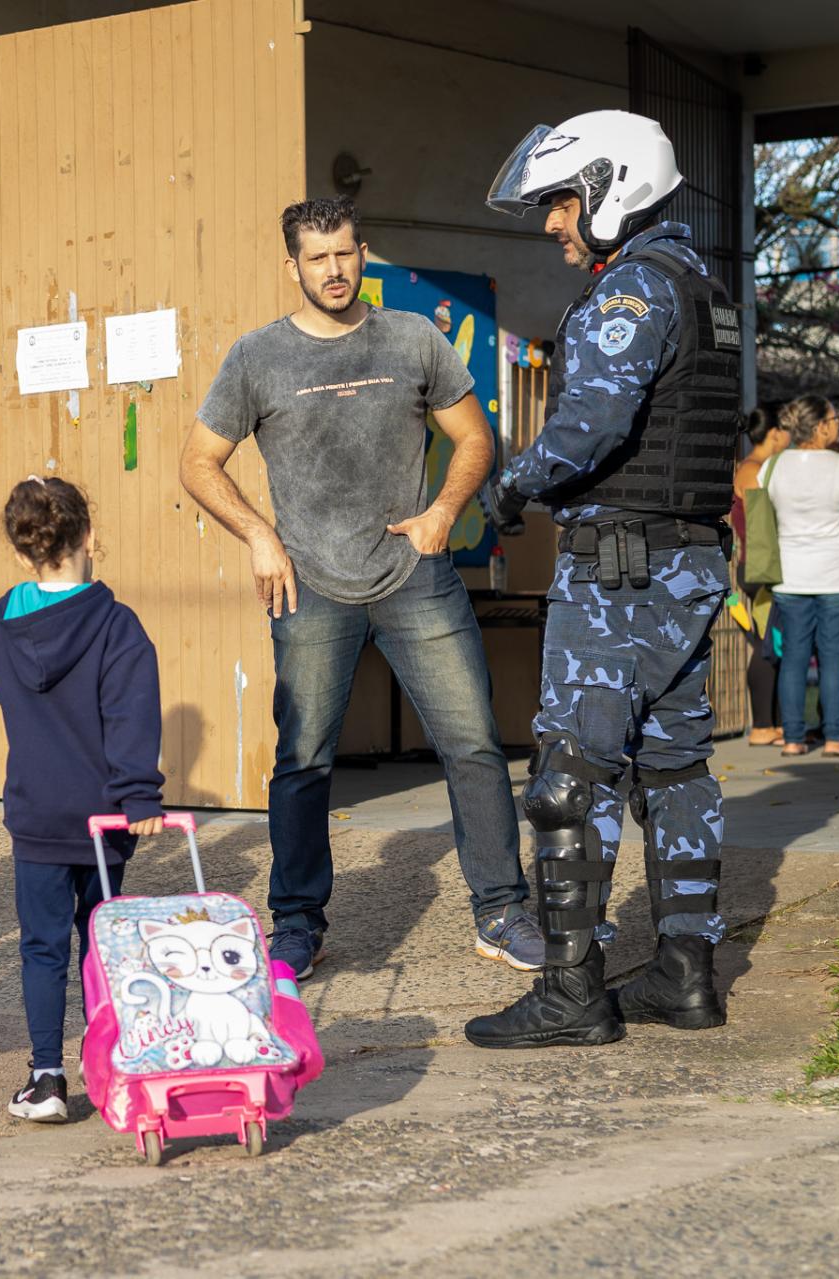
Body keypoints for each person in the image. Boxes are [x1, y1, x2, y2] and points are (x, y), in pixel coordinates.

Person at [181, 196, 539, 983]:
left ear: (362, 252)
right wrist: (260, 535)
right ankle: (298, 924)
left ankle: (503, 910)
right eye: (317, 258)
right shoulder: (257, 357)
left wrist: (446, 508)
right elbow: (197, 461)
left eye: (344, 253)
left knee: (474, 742)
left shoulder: (412, 338)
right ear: (293, 267)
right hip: (309, 582)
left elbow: (476, 436)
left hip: (416, 574)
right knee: (303, 760)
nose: (334, 270)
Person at [471, 110, 742, 1049]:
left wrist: (511, 482)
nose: (551, 221)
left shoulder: (632, 290)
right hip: (689, 567)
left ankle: (571, 989)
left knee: (569, 775)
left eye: (560, 200)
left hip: (622, 574)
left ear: (610, 184)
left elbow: (588, 426)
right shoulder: (704, 285)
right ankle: (685, 974)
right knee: (674, 769)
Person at [0, 478, 165, 1123]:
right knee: (100, 939)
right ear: (90, 535)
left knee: (41, 947)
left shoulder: (3, 621)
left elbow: (1, 690)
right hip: (104, 818)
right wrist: (140, 794)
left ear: (22, 552)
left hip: (35, 811)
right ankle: (109, 1065)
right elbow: (131, 715)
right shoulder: (116, 625)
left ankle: (46, 1077)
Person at [768, 395, 839, 758]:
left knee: (793, 657)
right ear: (821, 425)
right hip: (836, 575)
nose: (838, 423)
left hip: (790, 576)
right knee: (832, 657)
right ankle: (835, 736)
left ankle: (793, 738)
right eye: (835, 417)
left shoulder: (773, 466)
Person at [733, 406, 788, 746]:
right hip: (761, 566)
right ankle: (763, 725)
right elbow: (762, 528)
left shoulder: (748, 467)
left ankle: (775, 723)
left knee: (773, 643)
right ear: (774, 433)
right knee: (766, 645)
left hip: (754, 565)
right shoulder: (756, 471)